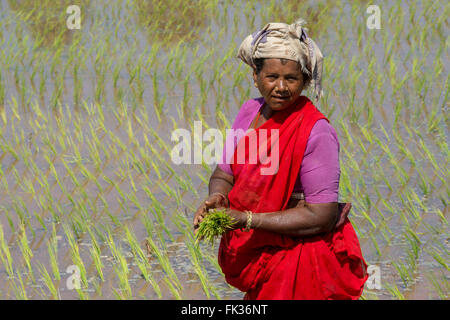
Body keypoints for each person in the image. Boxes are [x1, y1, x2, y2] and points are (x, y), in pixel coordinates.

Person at [193, 19, 367, 300]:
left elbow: (320, 216)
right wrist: (218, 197)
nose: (282, 87)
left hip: (300, 259)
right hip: (260, 250)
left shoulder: (315, 130)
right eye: (272, 77)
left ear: (305, 81)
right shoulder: (249, 112)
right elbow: (224, 173)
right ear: (255, 76)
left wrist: (247, 219)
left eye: (292, 78)